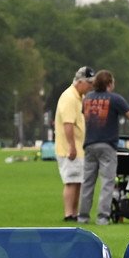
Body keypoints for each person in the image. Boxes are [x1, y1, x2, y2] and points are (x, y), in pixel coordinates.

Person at [78, 69, 129, 226]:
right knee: (107, 182)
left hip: (90, 144)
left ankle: (83, 217)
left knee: (87, 182)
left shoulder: (88, 98)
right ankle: (102, 217)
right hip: (107, 145)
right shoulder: (115, 99)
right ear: (109, 83)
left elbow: (86, 118)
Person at [53, 66, 92, 222]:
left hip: (79, 147)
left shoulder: (79, 98)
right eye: (89, 83)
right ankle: (69, 213)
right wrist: (72, 146)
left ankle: (75, 214)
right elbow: (68, 124)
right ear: (80, 82)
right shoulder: (69, 97)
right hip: (69, 148)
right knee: (71, 181)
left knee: (78, 181)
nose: (90, 87)